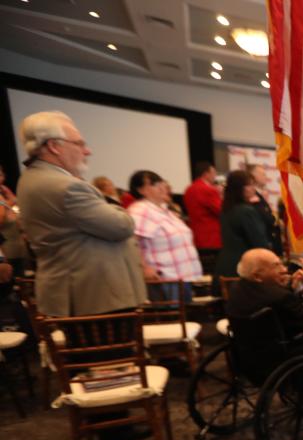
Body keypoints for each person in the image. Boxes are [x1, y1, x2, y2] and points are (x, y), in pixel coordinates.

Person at [16, 111, 146, 316]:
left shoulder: (34, 178)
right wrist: (115, 206)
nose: (87, 151)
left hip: (83, 294)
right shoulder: (66, 186)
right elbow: (121, 226)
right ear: (54, 146)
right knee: (112, 350)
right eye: (79, 144)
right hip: (96, 297)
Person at [127, 170, 203, 298]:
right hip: (164, 277)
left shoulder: (162, 209)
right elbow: (132, 242)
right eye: (154, 184)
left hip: (180, 276)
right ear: (140, 190)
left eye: (161, 182)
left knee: (184, 316)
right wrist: (144, 268)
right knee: (172, 317)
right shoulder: (140, 210)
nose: (162, 187)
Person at [227, 248, 303, 335]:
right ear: (257, 276)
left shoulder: (236, 288)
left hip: (247, 352)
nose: (284, 269)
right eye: (276, 265)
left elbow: (278, 306)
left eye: (281, 264)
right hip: (286, 353)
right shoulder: (280, 297)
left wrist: (292, 289)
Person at [215, 170, 272, 278]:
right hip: (244, 267)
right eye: (249, 185)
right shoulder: (246, 211)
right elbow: (260, 243)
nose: (253, 189)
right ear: (238, 188)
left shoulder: (226, 210)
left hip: (225, 265)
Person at [184, 161, 223, 264]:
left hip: (197, 236)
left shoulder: (189, 189)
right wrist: (221, 195)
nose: (215, 176)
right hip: (212, 238)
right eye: (214, 173)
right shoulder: (208, 190)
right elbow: (221, 211)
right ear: (206, 174)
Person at [247, 164, 284, 256]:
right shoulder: (252, 196)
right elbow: (266, 218)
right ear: (254, 176)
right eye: (263, 174)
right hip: (263, 243)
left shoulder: (259, 195)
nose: (265, 177)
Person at [0, 165, 27, 278]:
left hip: (19, 249)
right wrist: (8, 205)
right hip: (7, 253)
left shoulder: (3, 194)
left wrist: (13, 200)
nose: (2, 177)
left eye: (1, 173)